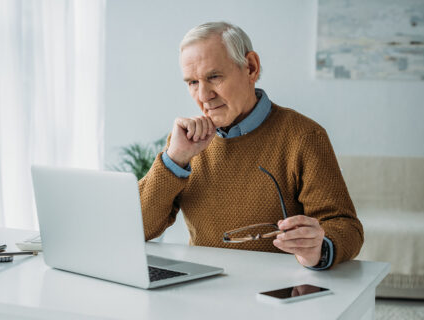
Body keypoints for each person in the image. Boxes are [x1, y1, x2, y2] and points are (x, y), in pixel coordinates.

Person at [139, 21, 363, 269]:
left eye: (214, 77)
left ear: (251, 68)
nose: (203, 96)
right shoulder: (183, 144)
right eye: (192, 82)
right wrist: (174, 160)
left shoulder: (305, 136)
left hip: (277, 291)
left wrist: (320, 248)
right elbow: (137, 228)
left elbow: (346, 226)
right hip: (203, 288)